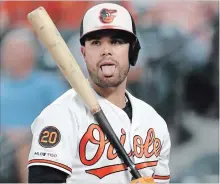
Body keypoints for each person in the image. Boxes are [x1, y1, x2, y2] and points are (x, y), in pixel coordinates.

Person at [27, 3, 171, 184]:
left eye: (116, 42)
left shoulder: (154, 121)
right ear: (83, 53)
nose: (106, 50)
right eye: (96, 42)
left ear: (132, 51)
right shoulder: (60, 116)